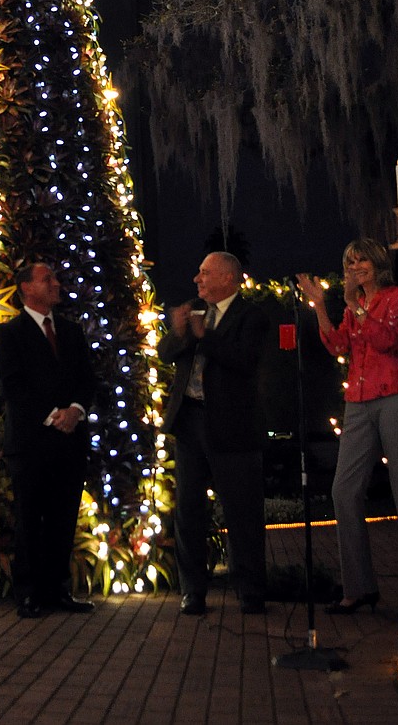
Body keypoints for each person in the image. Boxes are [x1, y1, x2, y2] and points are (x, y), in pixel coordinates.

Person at [298, 239, 398, 618]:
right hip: (357, 403)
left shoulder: (397, 299)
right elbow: (338, 345)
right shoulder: (352, 307)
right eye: (349, 261)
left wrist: (357, 306)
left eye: (361, 261)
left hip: (395, 397)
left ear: (376, 264)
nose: (355, 266)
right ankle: (358, 588)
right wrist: (322, 306)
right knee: (344, 490)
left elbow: (389, 341)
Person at [158, 252, 269, 615]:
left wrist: (206, 338)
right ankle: (193, 590)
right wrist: (179, 333)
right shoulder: (194, 312)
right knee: (188, 510)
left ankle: (250, 590)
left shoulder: (251, 315)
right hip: (190, 422)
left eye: (205, 273)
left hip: (231, 426)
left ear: (228, 278)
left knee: (241, 511)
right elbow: (166, 353)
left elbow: (244, 360)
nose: (197, 279)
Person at [0, 262, 96, 618]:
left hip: (70, 442)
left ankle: (58, 590)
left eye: (54, 277)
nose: (55, 283)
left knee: (63, 518)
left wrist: (76, 410)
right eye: (46, 279)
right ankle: (28, 593)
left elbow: (88, 378)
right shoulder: (10, 334)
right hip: (31, 442)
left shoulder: (71, 331)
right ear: (26, 288)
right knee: (29, 517)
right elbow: (13, 386)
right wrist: (55, 415)